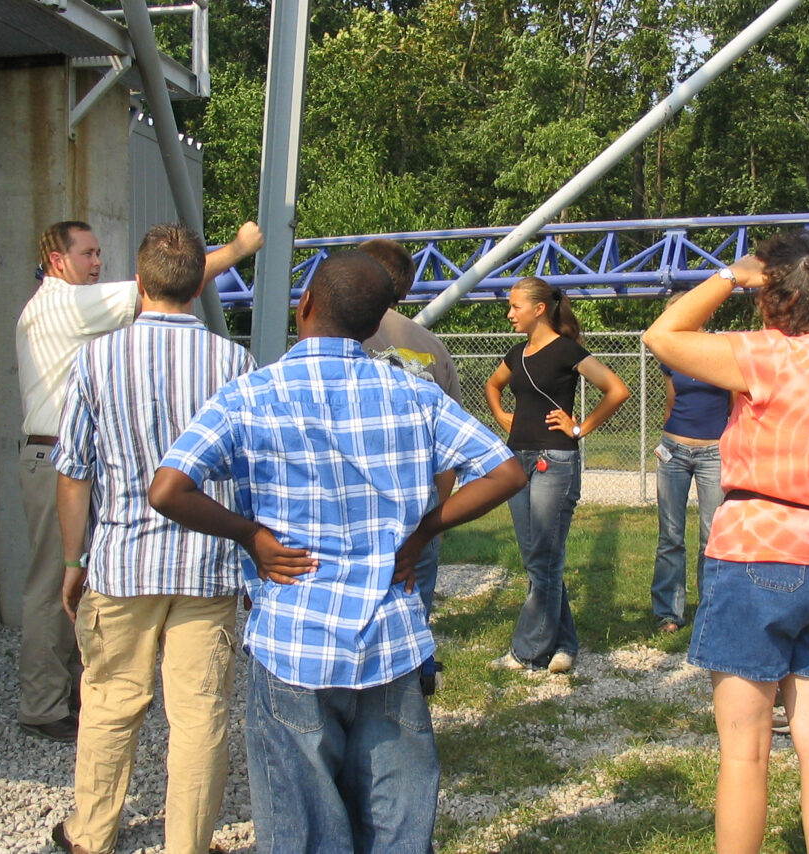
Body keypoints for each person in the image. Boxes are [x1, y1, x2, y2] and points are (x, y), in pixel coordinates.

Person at [148, 251, 526, 854]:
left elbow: (167, 489)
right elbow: (505, 473)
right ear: (376, 324)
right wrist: (425, 530)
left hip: (292, 638)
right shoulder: (415, 395)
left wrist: (250, 535)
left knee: (299, 823)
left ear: (305, 305)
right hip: (392, 639)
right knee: (397, 824)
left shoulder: (251, 395)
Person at [642, 229, 809, 854]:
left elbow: (662, 336)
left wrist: (731, 276)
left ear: (775, 295)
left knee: (745, 753)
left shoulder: (768, 355)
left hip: (760, 551)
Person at [48, 224, 256, 854]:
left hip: (120, 563)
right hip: (207, 568)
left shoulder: (94, 358)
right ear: (199, 286)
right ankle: (187, 845)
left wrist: (73, 558)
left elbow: (74, 471)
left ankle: (91, 835)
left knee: (110, 704)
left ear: (139, 284)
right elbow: (250, 471)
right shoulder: (235, 363)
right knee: (199, 715)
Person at [484, 276, 630, 673]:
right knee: (538, 559)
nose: (509, 313)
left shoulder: (568, 351)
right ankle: (564, 644)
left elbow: (616, 389)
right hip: (518, 460)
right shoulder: (516, 354)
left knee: (544, 558)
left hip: (555, 459)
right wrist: (502, 416)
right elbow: (492, 385)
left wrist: (580, 428)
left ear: (539, 308)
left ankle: (527, 650)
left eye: (515, 306)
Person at [358, 238, 461, 615]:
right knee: (414, 617)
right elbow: (449, 453)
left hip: (353, 506)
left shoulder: (340, 334)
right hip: (418, 507)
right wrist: (431, 519)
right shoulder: (433, 346)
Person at [651, 293, 731, 633]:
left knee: (713, 535)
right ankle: (669, 613)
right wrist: (663, 443)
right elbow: (671, 401)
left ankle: (711, 610)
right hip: (675, 450)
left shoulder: (723, 349)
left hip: (715, 452)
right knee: (671, 535)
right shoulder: (671, 355)